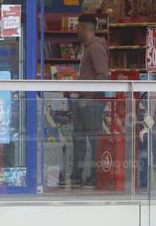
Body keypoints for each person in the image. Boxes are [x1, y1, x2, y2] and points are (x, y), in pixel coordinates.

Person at [71, 13, 110, 188]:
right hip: (85, 99)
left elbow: (103, 76)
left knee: (93, 140)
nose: (76, 31)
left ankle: (95, 176)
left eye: (78, 27)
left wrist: (88, 95)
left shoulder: (94, 48)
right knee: (79, 137)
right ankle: (78, 175)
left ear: (85, 28)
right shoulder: (88, 47)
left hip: (91, 101)